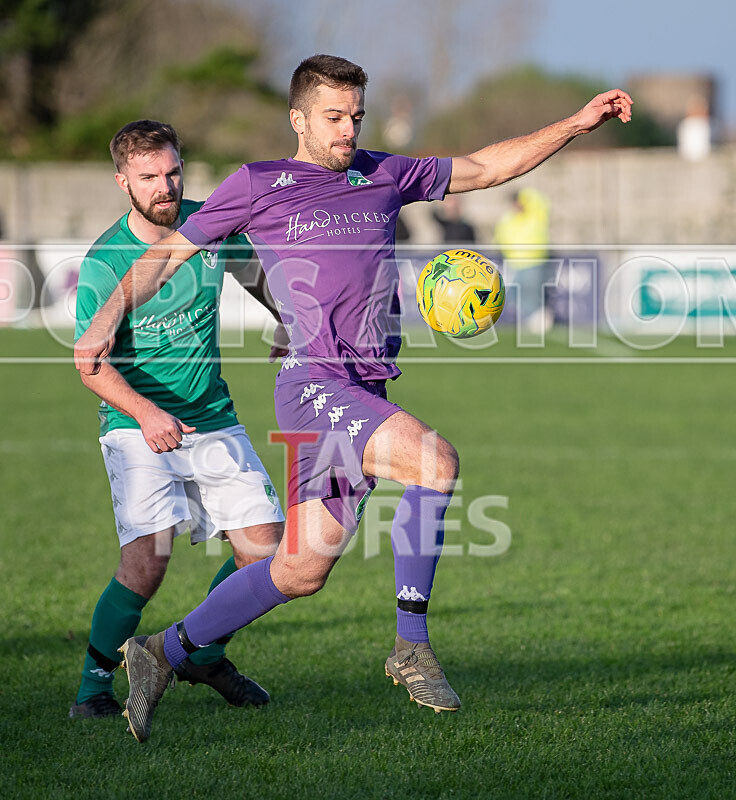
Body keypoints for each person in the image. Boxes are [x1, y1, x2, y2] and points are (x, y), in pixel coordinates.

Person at [75, 56, 632, 742]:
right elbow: (167, 255)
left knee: (298, 570)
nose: (348, 130)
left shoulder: (384, 174)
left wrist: (575, 123)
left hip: (363, 386)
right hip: (313, 385)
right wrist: (106, 318)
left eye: (356, 116)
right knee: (435, 462)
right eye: (334, 117)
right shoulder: (258, 184)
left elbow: (486, 168)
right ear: (298, 119)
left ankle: (163, 652)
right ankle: (411, 645)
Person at [69, 120, 285, 719]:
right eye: (148, 178)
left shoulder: (207, 224)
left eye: (172, 172)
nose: (165, 187)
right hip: (136, 423)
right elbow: (90, 366)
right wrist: (145, 413)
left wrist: (285, 317)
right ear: (123, 182)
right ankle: (91, 690)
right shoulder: (104, 263)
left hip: (212, 415)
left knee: (267, 554)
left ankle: (198, 653)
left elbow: (254, 270)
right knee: (147, 564)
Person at [494, 187, 553, 335]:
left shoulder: (534, 215)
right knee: (514, 296)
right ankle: (537, 321)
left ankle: (540, 324)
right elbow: (500, 235)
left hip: (533, 261)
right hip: (514, 263)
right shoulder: (509, 219)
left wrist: (523, 195)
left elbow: (541, 202)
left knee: (530, 296)